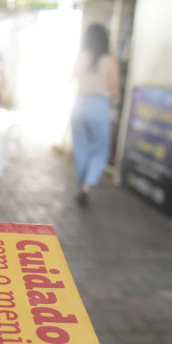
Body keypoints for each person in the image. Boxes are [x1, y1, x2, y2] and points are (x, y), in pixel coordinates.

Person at [69, 23, 121, 207]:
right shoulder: (110, 61)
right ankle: (87, 185)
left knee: (80, 148)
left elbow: (71, 80)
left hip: (79, 104)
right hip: (98, 106)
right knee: (99, 149)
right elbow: (115, 91)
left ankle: (80, 185)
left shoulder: (81, 57)